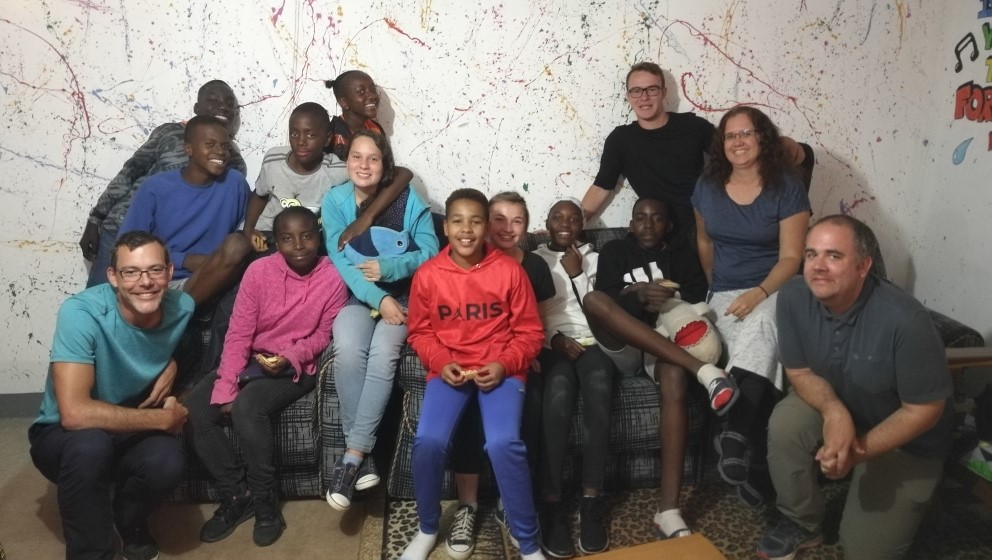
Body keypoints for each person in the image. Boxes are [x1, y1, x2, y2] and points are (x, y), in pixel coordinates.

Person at [758, 215, 953, 560]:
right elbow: (799, 372)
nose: (818, 266)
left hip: (906, 438)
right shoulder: (792, 296)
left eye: (834, 256)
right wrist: (834, 412)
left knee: (864, 552)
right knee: (787, 423)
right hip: (844, 401)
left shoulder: (905, 320)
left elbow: (924, 411)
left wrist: (857, 452)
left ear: (863, 266)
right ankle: (802, 522)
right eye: (811, 254)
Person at [184, 207, 348, 547]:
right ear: (276, 242)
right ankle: (236, 495)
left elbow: (322, 335)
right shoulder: (259, 271)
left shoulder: (333, 276)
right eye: (287, 238)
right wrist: (226, 385)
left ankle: (265, 501)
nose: (299, 245)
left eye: (307, 236)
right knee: (196, 408)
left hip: (297, 366)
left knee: (248, 408)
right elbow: (239, 333)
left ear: (318, 238)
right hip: (251, 361)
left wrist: (291, 356)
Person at [29, 231, 194, 560]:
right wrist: (162, 419)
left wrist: (173, 363)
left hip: (126, 427)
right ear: (113, 277)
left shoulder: (183, 307)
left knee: (167, 460)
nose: (145, 282)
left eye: (155, 270)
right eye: (130, 272)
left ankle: (127, 520)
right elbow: (74, 414)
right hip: (63, 435)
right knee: (90, 445)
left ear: (169, 272)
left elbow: (182, 348)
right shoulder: (81, 313)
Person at [402, 188, 546, 560]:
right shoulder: (428, 275)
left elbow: (530, 333)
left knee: (502, 443)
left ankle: (529, 543)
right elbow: (419, 332)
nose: (466, 230)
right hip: (449, 370)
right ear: (445, 227)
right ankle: (427, 528)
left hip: (500, 370)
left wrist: (503, 365)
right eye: (457, 221)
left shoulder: (509, 271)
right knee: (428, 441)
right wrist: (440, 361)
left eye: (475, 221)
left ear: (486, 228)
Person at [582, 196, 735, 539]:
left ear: (668, 225)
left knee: (675, 376)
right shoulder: (615, 251)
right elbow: (606, 300)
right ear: (631, 223)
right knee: (593, 299)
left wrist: (668, 300)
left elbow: (697, 301)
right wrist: (637, 297)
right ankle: (704, 372)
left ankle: (668, 511)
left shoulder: (681, 254)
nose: (648, 225)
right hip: (624, 346)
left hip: (666, 345)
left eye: (657, 218)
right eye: (640, 217)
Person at [691, 106, 810, 506]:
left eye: (746, 133)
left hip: (777, 288)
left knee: (764, 324)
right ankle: (755, 465)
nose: (738, 142)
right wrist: (716, 288)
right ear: (721, 144)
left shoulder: (787, 187)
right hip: (725, 291)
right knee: (760, 348)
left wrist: (759, 293)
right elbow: (705, 241)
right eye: (730, 135)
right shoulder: (707, 186)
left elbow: (792, 257)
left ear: (763, 137)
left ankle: (736, 432)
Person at [321, 130, 438, 510]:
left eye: (373, 158)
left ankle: (352, 456)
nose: (364, 165)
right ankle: (367, 458)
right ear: (347, 161)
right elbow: (342, 262)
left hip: (406, 298)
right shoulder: (335, 201)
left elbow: (431, 251)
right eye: (356, 157)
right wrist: (379, 298)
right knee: (347, 347)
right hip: (359, 296)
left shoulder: (407, 198)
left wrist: (390, 268)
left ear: (384, 163)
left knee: (384, 352)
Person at [580, 62, 803, 244]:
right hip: (658, 230)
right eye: (636, 91)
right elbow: (601, 186)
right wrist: (573, 224)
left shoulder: (693, 127)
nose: (644, 97)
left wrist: (780, 141)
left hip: (706, 222)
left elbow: (735, 150)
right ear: (628, 96)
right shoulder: (620, 140)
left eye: (652, 89)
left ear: (663, 92)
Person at [445, 191, 554, 560]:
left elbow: (536, 323)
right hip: (474, 359)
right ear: (485, 223)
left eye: (517, 221)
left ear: (527, 227)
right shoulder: (465, 261)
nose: (508, 228)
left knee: (532, 403)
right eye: (499, 219)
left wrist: (522, 356)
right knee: (467, 409)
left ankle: (516, 504)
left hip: (516, 359)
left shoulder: (533, 267)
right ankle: (468, 505)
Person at [80, 80, 246, 287]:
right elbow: (131, 171)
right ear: (197, 108)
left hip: (168, 249)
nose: (223, 107)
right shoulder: (169, 133)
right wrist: (95, 219)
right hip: (120, 227)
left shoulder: (232, 161)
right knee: (102, 298)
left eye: (229, 103)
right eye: (213, 101)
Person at [528, 197, 619, 557]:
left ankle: (591, 500)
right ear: (547, 223)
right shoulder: (535, 259)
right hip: (553, 343)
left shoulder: (597, 258)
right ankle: (551, 503)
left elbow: (602, 311)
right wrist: (554, 339)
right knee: (559, 390)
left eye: (573, 219)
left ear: (583, 225)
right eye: (558, 218)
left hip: (594, 340)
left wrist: (578, 273)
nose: (565, 224)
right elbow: (532, 312)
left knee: (598, 384)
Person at [118, 115, 251, 306]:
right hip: (160, 280)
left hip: (213, 278)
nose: (220, 152)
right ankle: (180, 312)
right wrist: (185, 260)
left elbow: (245, 235)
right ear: (188, 149)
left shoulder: (235, 183)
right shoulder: (155, 187)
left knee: (238, 245)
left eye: (225, 146)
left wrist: (214, 261)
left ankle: (181, 313)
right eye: (210, 144)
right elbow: (128, 247)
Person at [324, 70, 416, 249]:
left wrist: (367, 217)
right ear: (344, 102)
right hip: (344, 205)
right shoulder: (333, 134)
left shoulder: (374, 128)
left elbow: (391, 171)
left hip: (370, 199)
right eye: (361, 92)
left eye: (373, 89)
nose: (372, 95)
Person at [242, 102, 347, 254]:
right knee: (234, 245)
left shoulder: (336, 170)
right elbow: (260, 194)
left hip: (302, 242)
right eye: (294, 134)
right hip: (267, 233)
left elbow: (382, 177)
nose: (300, 142)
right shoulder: (274, 159)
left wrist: (366, 219)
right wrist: (249, 230)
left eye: (310, 135)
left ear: (327, 138)